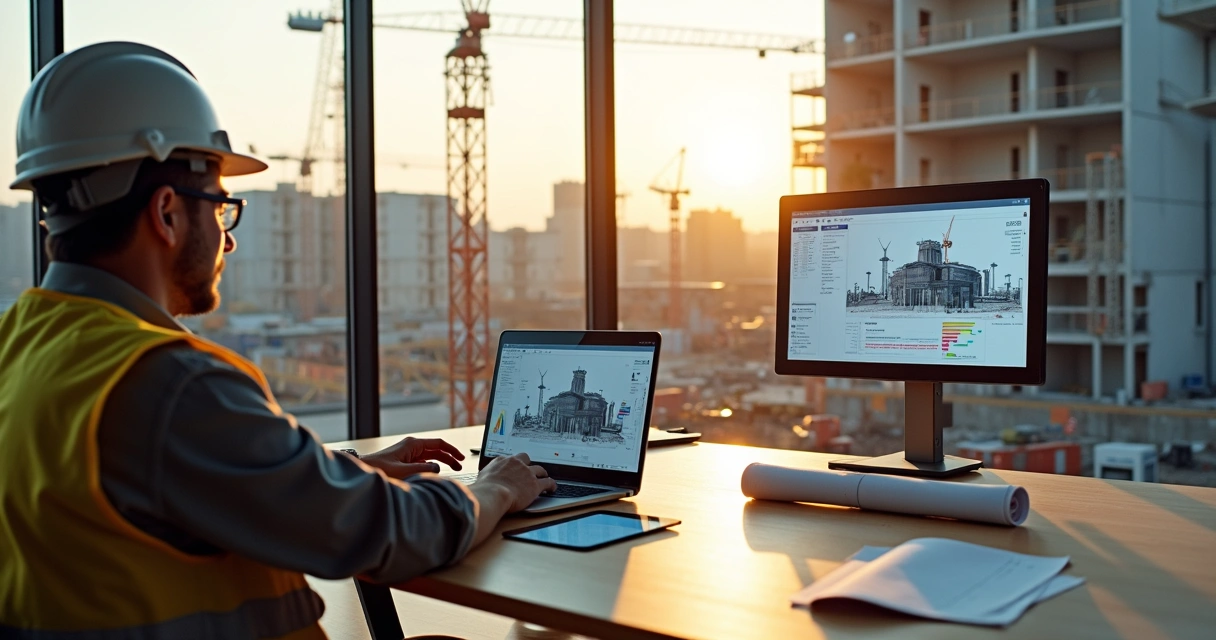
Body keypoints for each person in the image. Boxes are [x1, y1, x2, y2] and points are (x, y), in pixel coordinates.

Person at [0, 42, 556, 639]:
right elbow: (395, 535)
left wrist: (345, 471)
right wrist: (497, 488)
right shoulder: (169, 382)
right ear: (166, 213)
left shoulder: (20, 347)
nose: (227, 240)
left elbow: (166, 483)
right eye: (221, 209)